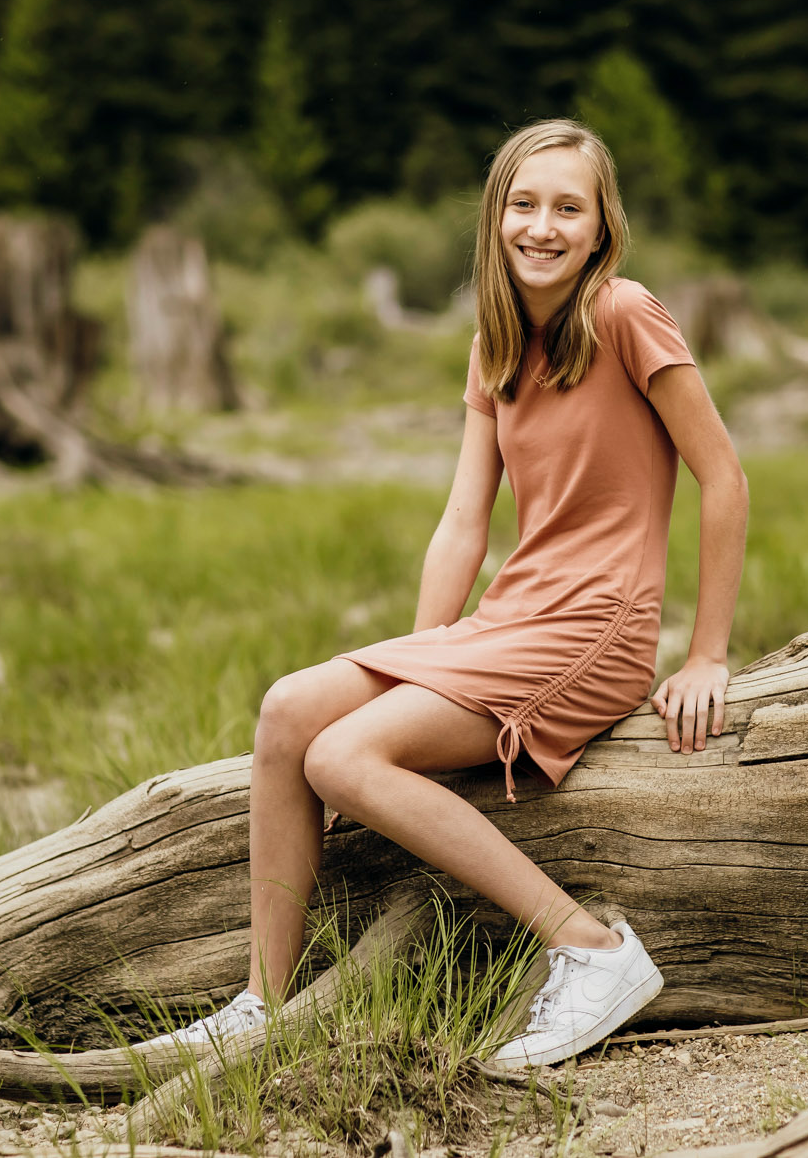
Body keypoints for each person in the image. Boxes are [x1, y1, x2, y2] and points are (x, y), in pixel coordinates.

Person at [142, 118, 748, 1067]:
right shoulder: (494, 344)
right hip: (507, 620)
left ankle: (589, 946)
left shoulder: (628, 313)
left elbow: (725, 476)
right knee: (288, 712)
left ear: (601, 230)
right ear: (495, 217)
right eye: (524, 203)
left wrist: (707, 652)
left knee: (342, 758)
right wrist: (414, 668)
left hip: (598, 629)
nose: (542, 226)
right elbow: (465, 521)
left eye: (567, 208)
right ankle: (260, 1005)